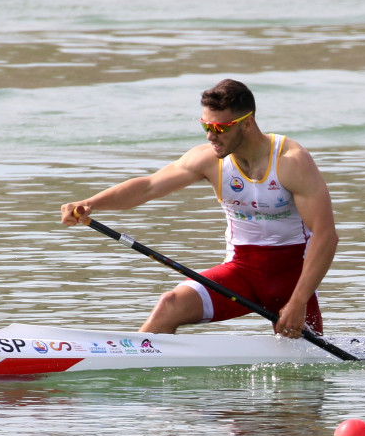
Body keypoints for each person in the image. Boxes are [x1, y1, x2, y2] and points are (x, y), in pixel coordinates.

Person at [60, 79, 337, 339]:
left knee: (300, 386)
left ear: (247, 123)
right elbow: (148, 187)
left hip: (292, 279)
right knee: (170, 304)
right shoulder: (208, 160)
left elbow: (325, 236)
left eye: (218, 128)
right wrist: (92, 203)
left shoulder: (291, 161)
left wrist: (298, 301)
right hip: (241, 273)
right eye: (204, 125)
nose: (209, 136)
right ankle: (131, 374)